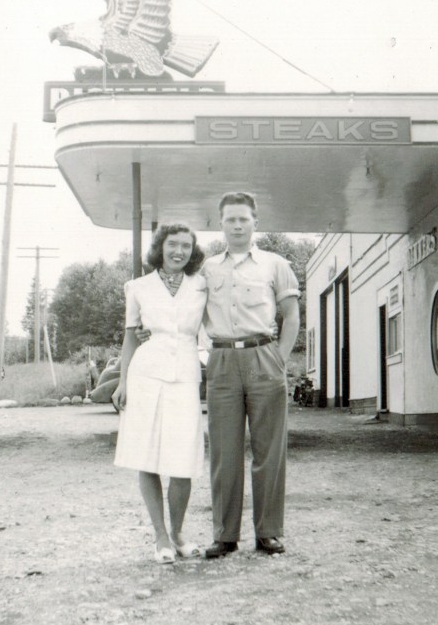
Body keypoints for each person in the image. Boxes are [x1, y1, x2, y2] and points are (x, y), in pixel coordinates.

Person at [202, 191, 300, 558]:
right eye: (230, 219)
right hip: (223, 359)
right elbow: (191, 313)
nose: (237, 225)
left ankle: (268, 532)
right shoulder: (207, 269)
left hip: (263, 356)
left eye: (244, 218)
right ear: (220, 223)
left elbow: (291, 315)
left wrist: (279, 359)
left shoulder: (275, 264)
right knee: (223, 451)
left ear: (255, 222)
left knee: (269, 450)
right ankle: (224, 535)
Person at [112, 224, 207, 564]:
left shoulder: (201, 285)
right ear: (160, 247)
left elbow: (216, 323)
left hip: (185, 375)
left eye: (185, 246)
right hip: (146, 375)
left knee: (183, 460)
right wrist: (122, 382)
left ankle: (179, 533)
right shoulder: (137, 287)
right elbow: (130, 337)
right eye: (172, 244)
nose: (178, 251)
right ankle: (161, 536)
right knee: (147, 456)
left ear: (192, 251)